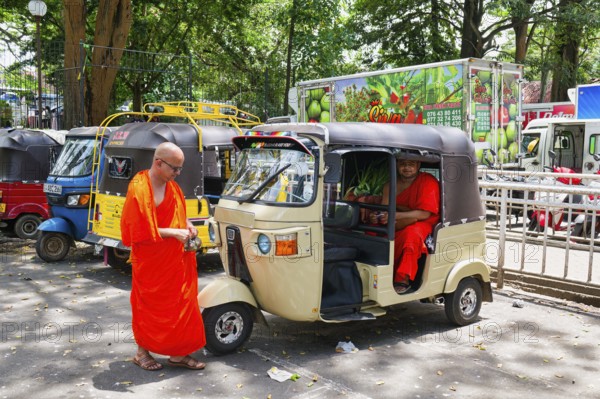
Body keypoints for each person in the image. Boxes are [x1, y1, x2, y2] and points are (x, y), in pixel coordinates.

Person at [120, 142, 206, 371]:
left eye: (180, 169)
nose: (178, 173)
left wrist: (187, 226)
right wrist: (172, 233)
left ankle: (178, 353)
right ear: (158, 163)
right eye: (174, 169)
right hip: (151, 263)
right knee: (148, 308)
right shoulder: (139, 188)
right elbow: (135, 232)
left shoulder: (173, 187)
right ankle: (142, 352)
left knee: (182, 306)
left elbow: (180, 216)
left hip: (176, 261)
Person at [370, 158, 440, 294]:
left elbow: (425, 214)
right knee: (371, 233)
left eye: (411, 164)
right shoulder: (389, 186)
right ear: (396, 165)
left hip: (423, 223)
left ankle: (402, 279)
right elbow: (385, 210)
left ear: (418, 165)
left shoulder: (427, 181)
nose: (406, 167)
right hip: (399, 220)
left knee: (411, 234)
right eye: (402, 164)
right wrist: (377, 217)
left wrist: (395, 215)